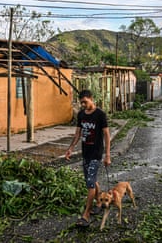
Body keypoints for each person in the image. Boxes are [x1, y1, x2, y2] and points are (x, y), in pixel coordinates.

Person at [65, 89, 111, 227]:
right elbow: (77, 134)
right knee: (90, 180)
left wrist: (108, 155)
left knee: (90, 183)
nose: (83, 105)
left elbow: (107, 135)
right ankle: (99, 200)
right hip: (85, 153)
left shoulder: (100, 115)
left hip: (96, 153)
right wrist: (71, 148)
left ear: (91, 98)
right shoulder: (81, 115)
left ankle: (86, 214)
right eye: (82, 103)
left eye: (85, 102)